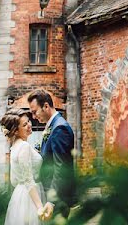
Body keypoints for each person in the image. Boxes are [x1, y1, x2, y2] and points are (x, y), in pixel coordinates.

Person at [28, 89, 75, 220]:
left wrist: (52, 201)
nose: (33, 117)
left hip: (58, 200)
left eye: (34, 111)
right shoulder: (52, 126)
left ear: (46, 106)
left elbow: (61, 168)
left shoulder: (60, 128)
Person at [1, 108, 51, 224]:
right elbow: (28, 180)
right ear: (16, 131)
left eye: (28, 121)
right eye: (24, 125)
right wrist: (39, 207)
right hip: (30, 196)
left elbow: (13, 180)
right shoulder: (24, 146)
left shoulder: (14, 147)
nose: (29, 125)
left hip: (19, 195)